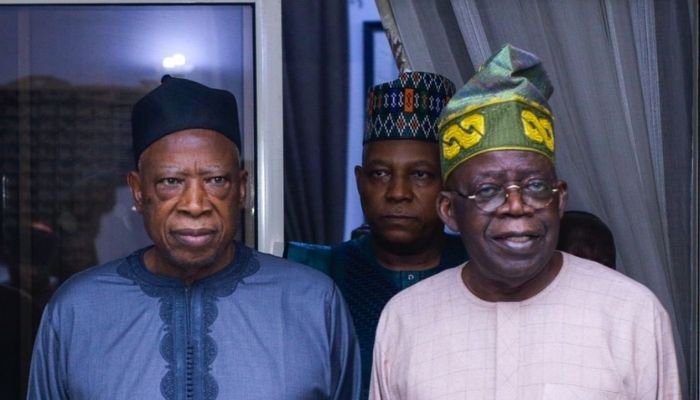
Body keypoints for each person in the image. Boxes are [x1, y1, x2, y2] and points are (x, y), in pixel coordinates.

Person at [369, 45, 680, 399]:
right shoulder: (406, 320)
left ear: (560, 199)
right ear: (449, 210)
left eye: (535, 186)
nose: (516, 206)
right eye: (488, 190)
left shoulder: (631, 315)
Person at [28, 76, 361, 399]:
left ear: (242, 189)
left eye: (216, 180)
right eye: (171, 181)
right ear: (138, 192)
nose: (195, 205)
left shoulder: (313, 303)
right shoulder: (77, 310)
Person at [287, 71, 468, 398]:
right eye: (381, 173)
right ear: (360, 182)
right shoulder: (315, 275)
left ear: (449, 185)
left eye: (421, 174)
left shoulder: (479, 271)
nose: (398, 192)